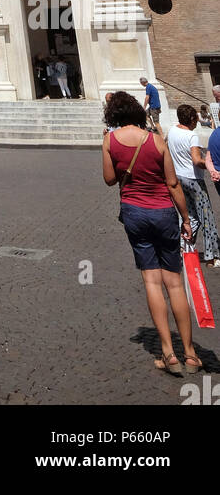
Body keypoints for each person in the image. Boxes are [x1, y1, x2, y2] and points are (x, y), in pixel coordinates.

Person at [102, 90, 199, 376]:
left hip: (134, 213)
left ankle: (168, 353)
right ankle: (191, 354)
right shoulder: (156, 140)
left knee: (152, 283)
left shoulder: (109, 141)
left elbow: (109, 180)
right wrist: (185, 218)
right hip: (164, 213)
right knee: (175, 284)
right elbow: (172, 185)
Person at [167, 105, 220, 268]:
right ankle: (212, 256)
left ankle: (183, 247)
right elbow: (197, 160)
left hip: (179, 177)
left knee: (189, 216)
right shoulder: (192, 136)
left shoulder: (172, 131)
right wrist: (210, 164)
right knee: (207, 217)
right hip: (194, 179)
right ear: (191, 119)